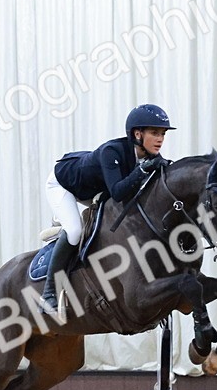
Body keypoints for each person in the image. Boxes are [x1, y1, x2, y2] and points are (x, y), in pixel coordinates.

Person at [40, 104, 176, 314]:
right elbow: (119, 193)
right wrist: (142, 170)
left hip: (94, 189)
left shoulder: (147, 157)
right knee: (75, 231)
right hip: (63, 184)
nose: (160, 139)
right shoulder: (112, 151)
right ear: (137, 134)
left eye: (163, 134)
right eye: (155, 133)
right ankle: (48, 292)